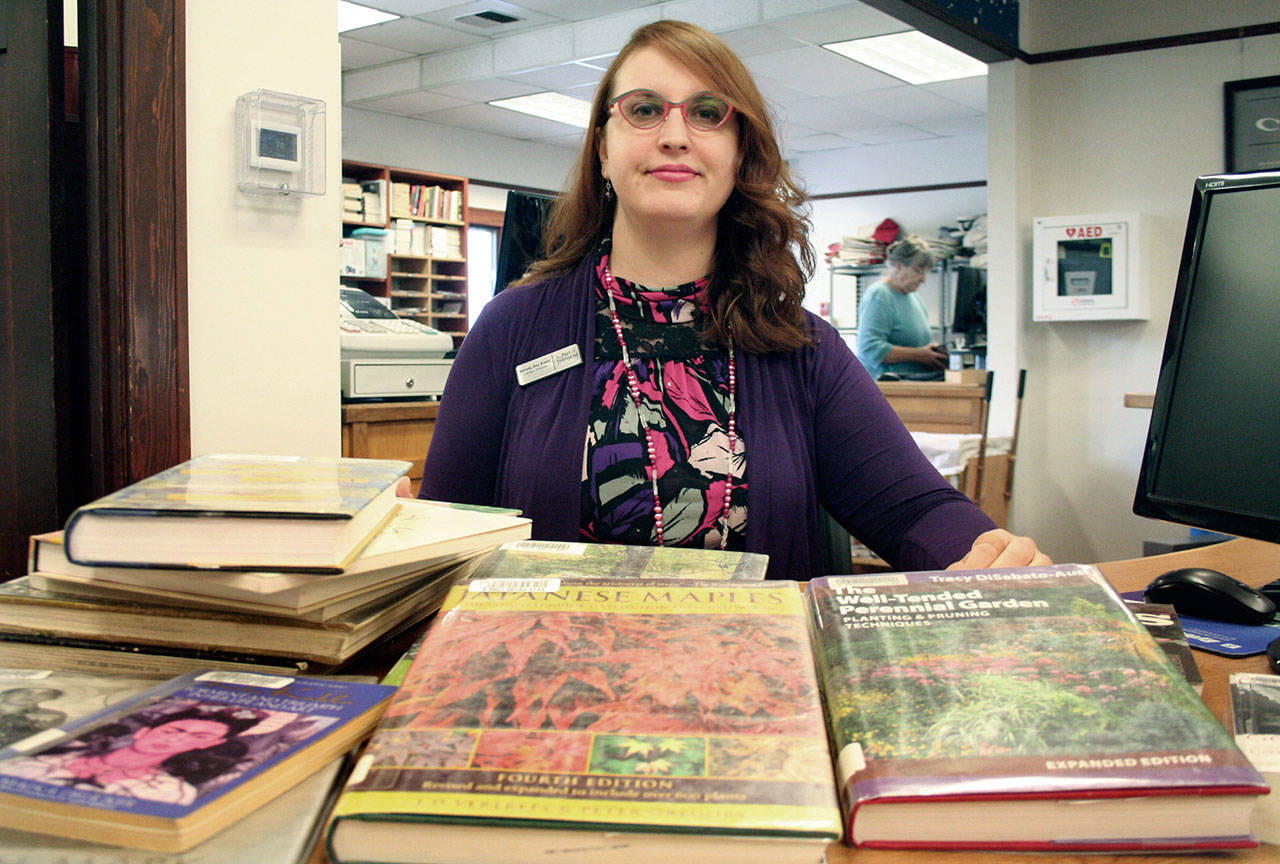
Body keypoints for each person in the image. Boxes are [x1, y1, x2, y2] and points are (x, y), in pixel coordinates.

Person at [417, 19, 1049, 579]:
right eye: (643, 110)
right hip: (551, 690)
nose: (674, 135)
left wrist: (988, 553)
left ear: (739, 151)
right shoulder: (512, 328)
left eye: (708, 111)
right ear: (603, 149)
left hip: (754, 693)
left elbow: (912, 506)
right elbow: (444, 538)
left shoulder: (799, 345)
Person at [0, 705, 262, 805]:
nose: (178, 739)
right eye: (175, 729)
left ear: (208, 746)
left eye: (199, 737)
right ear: (144, 731)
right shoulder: (35, 760)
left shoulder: (171, 793)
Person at [855, 234, 950, 380]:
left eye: (926, 272)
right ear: (898, 266)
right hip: (887, 389)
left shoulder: (914, 298)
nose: (923, 279)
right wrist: (919, 355)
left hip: (914, 386)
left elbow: (923, 343)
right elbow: (869, 348)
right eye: (918, 270)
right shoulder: (879, 295)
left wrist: (934, 352)